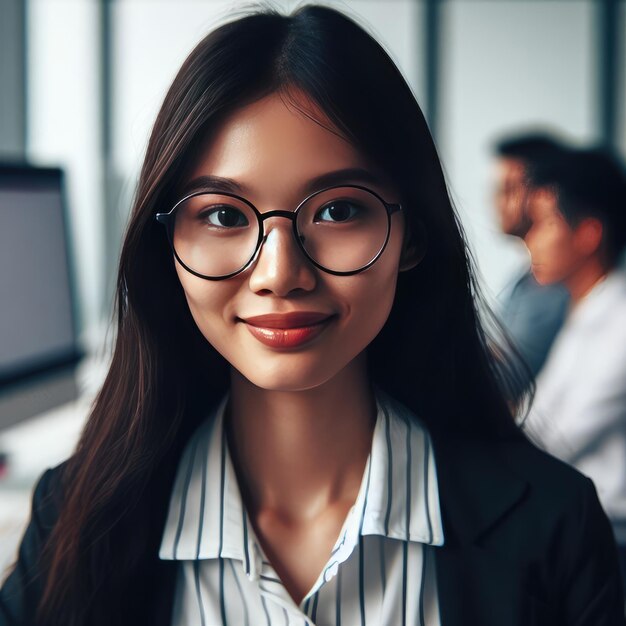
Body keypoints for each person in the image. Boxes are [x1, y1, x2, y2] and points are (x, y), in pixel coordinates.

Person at [1, 5, 624, 626]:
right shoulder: (74, 520)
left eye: (338, 211)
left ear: (412, 236)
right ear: (167, 246)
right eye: (223, 215)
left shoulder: (555, 526)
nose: (279, 274)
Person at [520, 145, 626, 593]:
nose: (530, 240)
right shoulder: (584, 307)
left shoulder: (620, 322)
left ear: (588, 233)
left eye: (544, 223)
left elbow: (550, 438)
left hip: (613, 543)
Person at [491, 133, 570, 399]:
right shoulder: (527, 273)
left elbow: (504, 379)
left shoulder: (552, 281)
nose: (497, 203)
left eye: (509, 189)